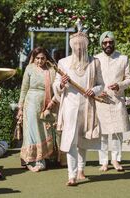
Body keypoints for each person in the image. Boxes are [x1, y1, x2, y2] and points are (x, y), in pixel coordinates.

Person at [53, 26, 104, 186]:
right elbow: (56, 85)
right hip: (70, 106)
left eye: (81, 44)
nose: (78, 47)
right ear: (71, 45)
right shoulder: (63, 63)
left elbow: (101, 84)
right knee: (71, 140)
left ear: (86, 45)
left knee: (83, 138)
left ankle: (81, 169)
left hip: (87, 105)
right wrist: (61, 84)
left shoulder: (95, 62)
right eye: (75, 44)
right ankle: (72, 175)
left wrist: (94, 90)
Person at [94, 31, 130, 171]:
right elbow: (92, 80)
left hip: (117, 99)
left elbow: (129, 79)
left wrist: (119, 85)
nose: (108, 45)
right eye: (105, 43)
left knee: (117, 132)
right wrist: (98, 91)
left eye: (110, 42)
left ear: (114, 43)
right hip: (101, 100)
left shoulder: (123, 58)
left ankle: (116, 160)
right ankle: (104, 161)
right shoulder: (95, 59)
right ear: (101, 45)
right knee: (103, 134)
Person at [17, 47, 58, 172]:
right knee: (32, 131)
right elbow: (24, 89)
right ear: (33, 58)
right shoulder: (29, 68)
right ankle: (31, 159)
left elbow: (56, 88)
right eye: (37, 58)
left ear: (46, 58)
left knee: (45, 130)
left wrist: (52, 103)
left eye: (42, 58)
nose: (40, 61)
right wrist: (20, 108)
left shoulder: (51, 70)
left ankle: (44, 157)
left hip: (46, 104)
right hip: (30, 103)